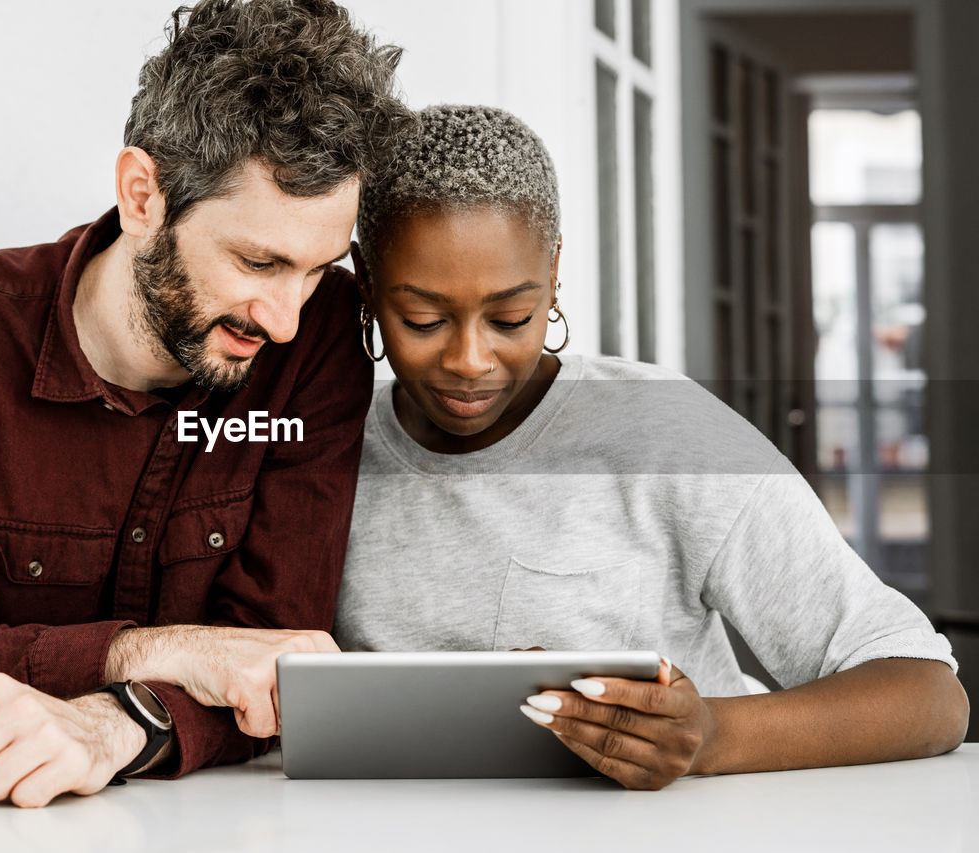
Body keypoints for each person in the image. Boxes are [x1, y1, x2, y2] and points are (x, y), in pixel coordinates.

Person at [0, 0, 414, 808]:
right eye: (258, 261)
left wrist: (120, 723)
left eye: (316, 267)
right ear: (142, 195)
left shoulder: (318, 342)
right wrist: (149, 655)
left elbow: (273, 673)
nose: (286, 316)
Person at [336, 104, 969, 790]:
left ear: (552, 273)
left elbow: (930, 694)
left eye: (510, 317)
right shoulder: (319, 453)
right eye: (424, 319)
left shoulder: (663, 432)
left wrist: (713, 735)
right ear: (365, 283)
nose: (470, 358)